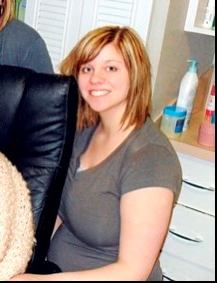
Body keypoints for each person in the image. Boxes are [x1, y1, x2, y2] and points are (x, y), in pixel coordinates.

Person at [11, 26, 182, 281]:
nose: (96, 78)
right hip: (54, 270)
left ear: (135, 74)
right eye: (87, 68)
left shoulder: (150, 159)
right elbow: (56, 213)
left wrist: (40, 281)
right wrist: (17, 257)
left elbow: (133, 271)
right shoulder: (84, 131)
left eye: (111, 68)